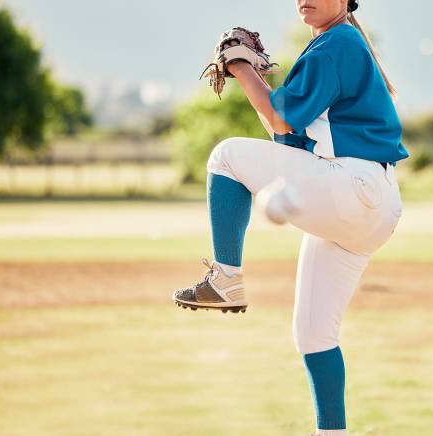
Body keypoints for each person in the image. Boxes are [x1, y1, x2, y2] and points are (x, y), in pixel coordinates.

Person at [172, 1, 408, 434]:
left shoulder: (335, 43)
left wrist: (242, 66)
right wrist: (252, 74)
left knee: (225, 156)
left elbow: (278, 117)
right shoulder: (329, 45)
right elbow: (284, 134)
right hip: (367, 204)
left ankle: (225, 278)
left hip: (354, 186)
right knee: (313, 333)